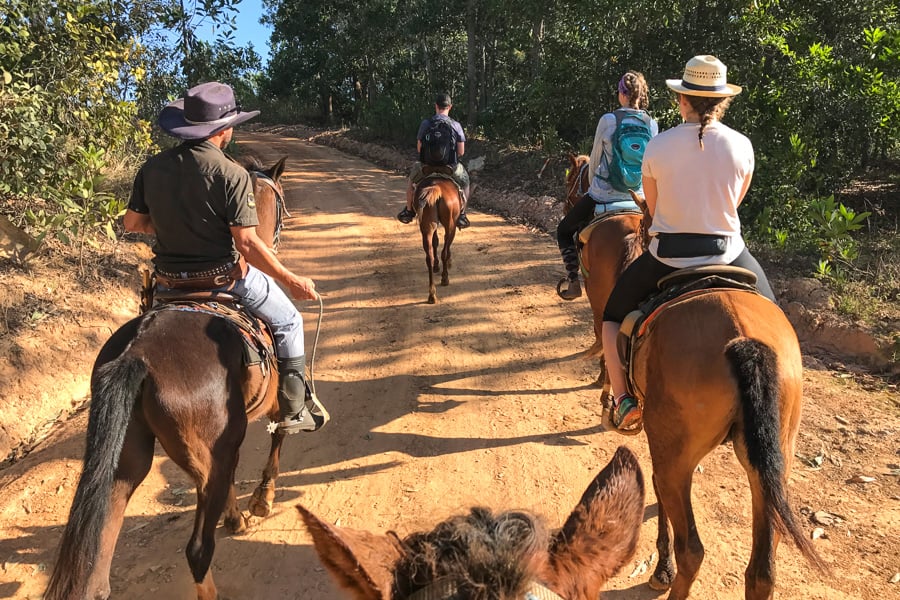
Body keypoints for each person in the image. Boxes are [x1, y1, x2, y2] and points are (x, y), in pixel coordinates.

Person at [123, 81, 329, 435]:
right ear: (224, 130)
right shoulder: (231, 174)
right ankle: (293, 409)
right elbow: (247, 244)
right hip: (225, 278)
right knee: (290, 321)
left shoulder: (152, 168)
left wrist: (177, 226)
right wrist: (292, 280)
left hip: (168, 283)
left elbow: (134, 223)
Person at [601, 55, 776, 433]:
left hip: (668, 257)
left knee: (612, 318)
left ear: (683, 100)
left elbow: (655, 206)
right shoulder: (743, 146)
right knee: (776, 320)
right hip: (730, 253)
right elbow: (735, 200)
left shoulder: (658, 146)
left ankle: (623, 400)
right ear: (723, 101)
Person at [556, 71, 658, 300]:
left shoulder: (608, 120)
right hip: (639, 199)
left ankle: (573, 282)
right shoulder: (652, 124)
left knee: (564, 231)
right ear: (641, 95)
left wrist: (593, 188)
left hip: (604, 197)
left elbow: (595, 160)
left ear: (622, 94)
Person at [397, 93, 471, 228]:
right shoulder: (456, 125)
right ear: (450, 107)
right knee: (466, 183)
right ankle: (461, 215)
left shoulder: (426, 123)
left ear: (436, 106)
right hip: (450, 168)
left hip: (427, 167)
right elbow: (461, 151)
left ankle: (408, 211)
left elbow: (419, 148)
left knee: (410, 182)